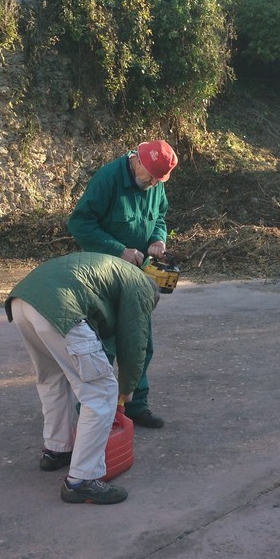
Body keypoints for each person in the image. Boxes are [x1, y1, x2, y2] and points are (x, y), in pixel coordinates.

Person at [5, 252, 160, 505]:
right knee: (101, 391)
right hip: (60, 306)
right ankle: (82, 480)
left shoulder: (117, 273)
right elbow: (134, 342)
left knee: (52, 379)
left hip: (23, 300)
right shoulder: (141, 287)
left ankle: (57, 449)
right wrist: (127, 389)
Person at [67, 140, 178, 429]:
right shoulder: (108, 179)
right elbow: (80, 223)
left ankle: (135, 406)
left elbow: (160, 216)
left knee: (139, 343)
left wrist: (158, 239)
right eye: (151, 177)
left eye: (160, 179)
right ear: (137, 160)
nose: (154, 183)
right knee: (104, 346)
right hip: (102, 276)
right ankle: (92, 414)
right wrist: (119, 250)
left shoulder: (155, 183)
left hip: (137, 278)